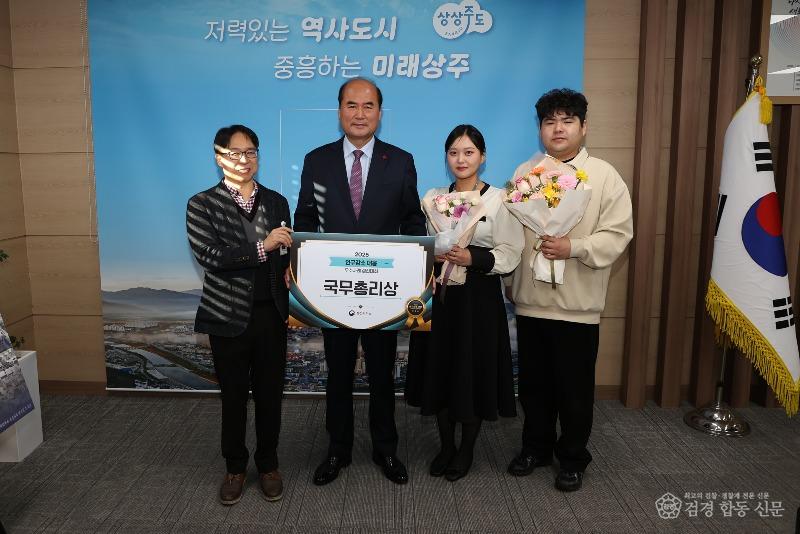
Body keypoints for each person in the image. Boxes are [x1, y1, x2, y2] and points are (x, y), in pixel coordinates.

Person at [294, 78, 427, 485]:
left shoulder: (400, 161)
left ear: (380, 113)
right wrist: (301, 266)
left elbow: (412, 221)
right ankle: (338, 449)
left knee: (383, 374)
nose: (359, 113)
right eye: (351, 105)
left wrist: (421, 270)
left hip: (383, 292)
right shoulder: (317, 160)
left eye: (368, 106)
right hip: (334, 291)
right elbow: (305, 218)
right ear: (339, 111)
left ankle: (386, 449)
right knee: (337, 373)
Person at [506, 89, 633, 491]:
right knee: (533, 387)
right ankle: (536, 447)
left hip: (578, 306)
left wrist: (572, 247)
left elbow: (618, 234)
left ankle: (573, 457)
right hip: (531, 303)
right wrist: (510, 282)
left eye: (567, 121)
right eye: (549, 121)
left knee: (574, 391)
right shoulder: (526, 173)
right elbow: (511, 236)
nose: (558, 129)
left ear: (584, 126)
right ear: (540, 128)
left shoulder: (603, 176)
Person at [407, 125, 524, 481]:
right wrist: (434, 254)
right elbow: (420, 246)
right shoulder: (432, 199)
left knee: (472, 371)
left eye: (469, 152)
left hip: (478, 299)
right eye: (454, 152)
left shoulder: (499, 200)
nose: (461, 159)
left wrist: (473, 257)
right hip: (440, 297)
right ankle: (446, 446)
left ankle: (467, 449)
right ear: (446, 157)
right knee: (440, 370)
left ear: (482, 157)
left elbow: (511, 252)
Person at [186, 125, 294, 505]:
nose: (244, 160)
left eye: (251, 152)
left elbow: (287, 253)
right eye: (234, 153)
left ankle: (268, 464)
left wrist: (291, 268)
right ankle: (235, 467)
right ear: (219, 158)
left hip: (271, 315)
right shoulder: (202, 204)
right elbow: (210, 256)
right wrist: (263, 246)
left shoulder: (277, 202)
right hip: (227, 317)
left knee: (270, 396)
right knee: (232, 397)